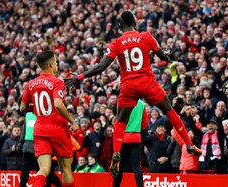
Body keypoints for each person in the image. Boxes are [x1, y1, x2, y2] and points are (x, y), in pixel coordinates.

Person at [65, 10, 201, 177]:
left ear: (121, 26)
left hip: (128, 85)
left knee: (120, 123)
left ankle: (117, 153)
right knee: (170, 112)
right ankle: (188, 143)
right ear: (135, 23)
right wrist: (166, 52)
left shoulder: (117, 42)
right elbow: (164, 57)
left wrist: (80, 76)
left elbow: (101, 66)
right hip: (147, 82)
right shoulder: (146, 36)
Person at [20, 50, 79, 187]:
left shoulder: (31, 84)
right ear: (52, 64)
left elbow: (23, 108)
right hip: (58, 129)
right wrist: (72, 121)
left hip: (39, 130)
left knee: (43, 169)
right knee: (66, 168)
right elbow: (58, 103)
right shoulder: (56, 81)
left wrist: (37, 109)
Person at [106, 100, 147, 187]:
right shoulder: (142, 104)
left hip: (122, 138)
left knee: (119, 166)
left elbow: (118, 121)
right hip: (136, 137)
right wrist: (136, 126)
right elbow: (145, 123)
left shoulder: (122, 101)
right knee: (137, 166)